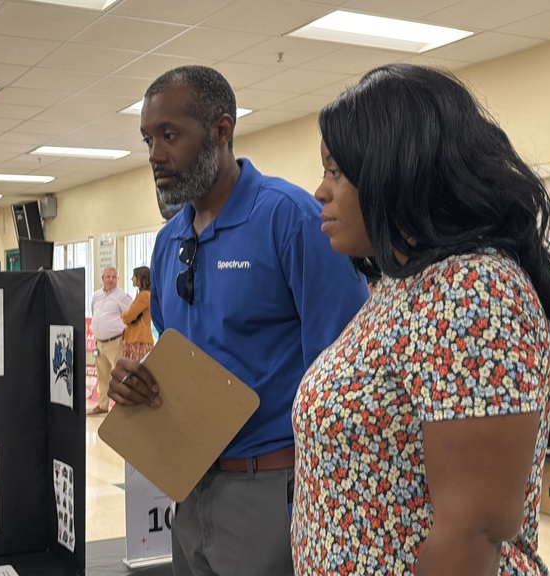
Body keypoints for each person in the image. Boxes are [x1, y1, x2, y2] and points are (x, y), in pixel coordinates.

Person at [293, 64, 550, 575]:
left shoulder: (473, 291)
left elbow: (471, 529)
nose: (320, 192)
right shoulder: (403, 286)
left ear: (398, 169)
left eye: (337, 172)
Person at [109, 65, 368, 576]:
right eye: (147, 140)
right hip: (190, 489)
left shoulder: (290, 219)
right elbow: (178, 354)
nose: (155, 156)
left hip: (272, 491)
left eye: (169, 136)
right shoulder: (168, 243)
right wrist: (138, 384)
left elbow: (343, 369)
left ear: (221, 131)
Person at [89, 267, 132, 415]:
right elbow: (94, 313)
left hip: (116, 342)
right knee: (102, 376)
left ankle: (123, 407)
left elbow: (132, 316)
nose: (111, 279)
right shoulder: (96, 296)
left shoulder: (122, 297)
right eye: (108, 276)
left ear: (118, 279)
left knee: (120, 375)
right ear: (102, 278)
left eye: (114, 277)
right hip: (99, 343)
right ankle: (102, 406)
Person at [120, 266, 154, 361]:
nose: (132, 278)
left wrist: (122, 315)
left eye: (134, 276)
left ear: (141, 278)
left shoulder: (144, 296)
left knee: (135, 372)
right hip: (138, 339)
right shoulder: (146, 294)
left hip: (139, 340)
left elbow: (129, 316)